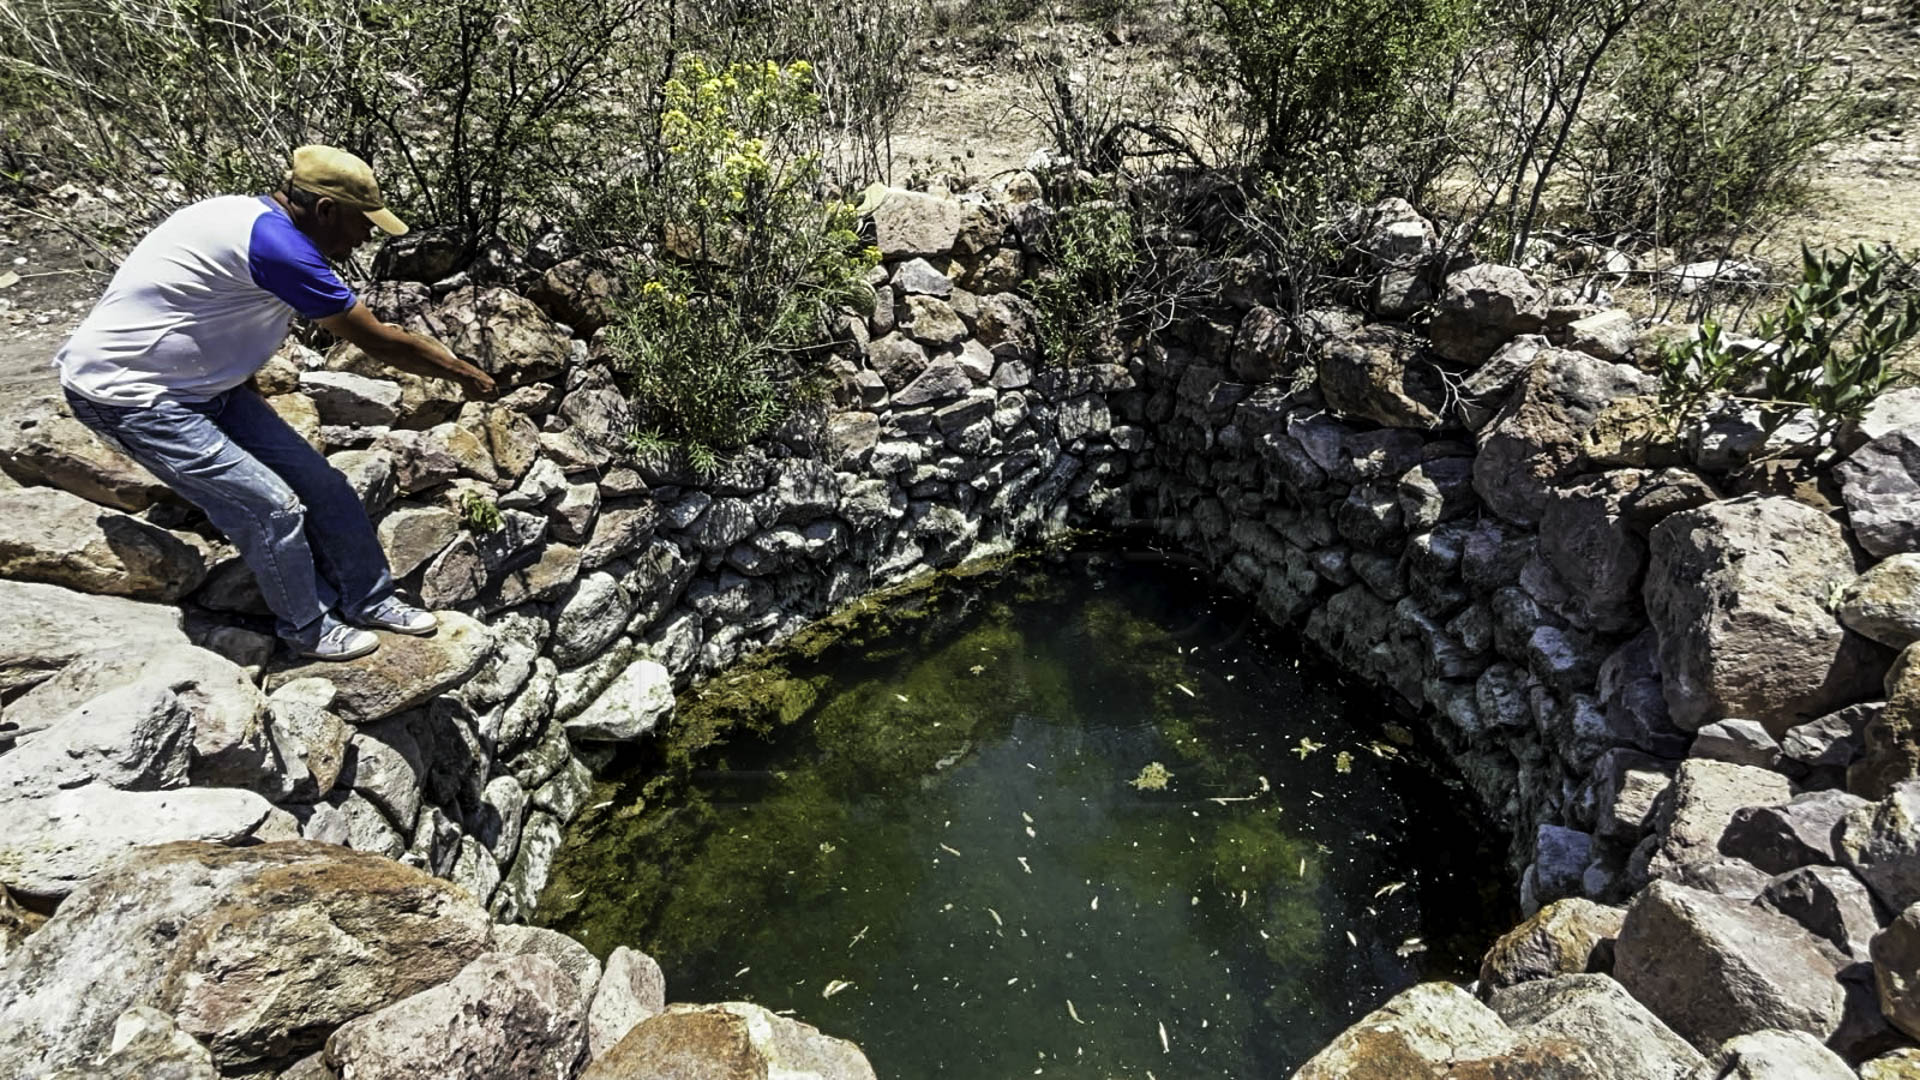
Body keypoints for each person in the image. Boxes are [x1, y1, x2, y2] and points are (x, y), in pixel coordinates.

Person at [55, 145, 496, 661]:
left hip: (208, 388)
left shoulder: (251, 219)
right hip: (134, 395)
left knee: (323, 486)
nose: (367, 235)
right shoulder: (279, 249)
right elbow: (379, 342)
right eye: (362, 222)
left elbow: (211, 314)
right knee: (270, 507)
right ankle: (307, 628)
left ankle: (370, 598)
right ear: (326, 210)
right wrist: (466, 375)